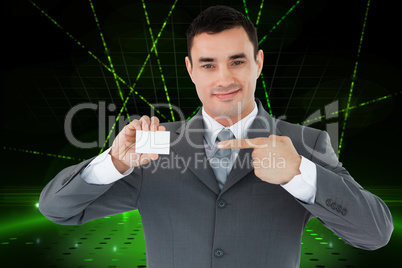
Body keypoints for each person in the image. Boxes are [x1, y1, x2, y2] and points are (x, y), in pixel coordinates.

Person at [39, 5, 393, 268]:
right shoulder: (154, 145)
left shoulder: (304, 145)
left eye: (237, 62)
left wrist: (300, 173)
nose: (223, 79)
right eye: (208, 64)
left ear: (258, 62)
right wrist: (113, 163)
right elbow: (58, 210)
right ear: (191, 69)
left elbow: (375, 235)